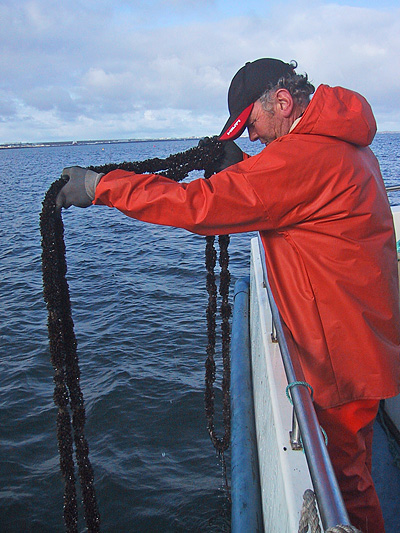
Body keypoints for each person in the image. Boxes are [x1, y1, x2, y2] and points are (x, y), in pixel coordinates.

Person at [56, 58, 400, 532]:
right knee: (352, 468)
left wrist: (102, 186)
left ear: (282, 102)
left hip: (340, 357)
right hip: (364, 341)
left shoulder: (304, 158)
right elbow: (290, 191)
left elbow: (199, 205)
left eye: (251, 125)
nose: (251, 138)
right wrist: (242, 168)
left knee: (345, 487)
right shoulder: (341, 142)